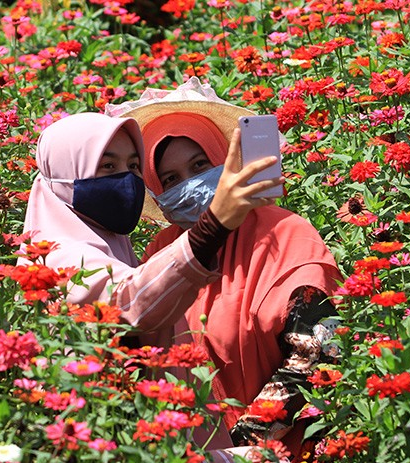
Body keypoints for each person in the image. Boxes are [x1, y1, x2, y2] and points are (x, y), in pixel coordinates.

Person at [107, 78, 344, 458]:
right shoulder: (165, 249)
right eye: (170, 179)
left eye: (200, 165)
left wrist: (242, 443)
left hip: (283, 449)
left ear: (226, 160)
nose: (189, 185)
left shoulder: (286, 233)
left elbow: (318, 354)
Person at [20, 112, 282, 337]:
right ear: (64, 177)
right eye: (108, 165)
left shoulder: (115, 250)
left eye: (133, 165)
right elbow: (129, 302)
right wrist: (212, 226)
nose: (126, 178)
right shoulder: (53, 259)